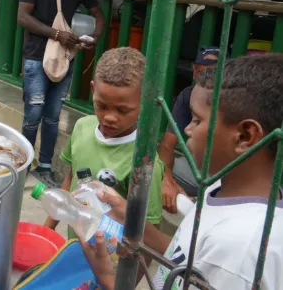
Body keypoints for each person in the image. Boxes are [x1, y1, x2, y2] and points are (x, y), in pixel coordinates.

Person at [81, 54, 283, 290]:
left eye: (197, 120)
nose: (187, 128)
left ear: (245, 136)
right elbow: (187, 257)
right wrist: (133, 221)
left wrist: (111, 281)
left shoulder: (240, 252)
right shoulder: (222, 188)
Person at [18, 0, 105, 185]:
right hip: (36, 56)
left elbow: (98, 15)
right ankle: (24, 162)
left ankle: (44, 166)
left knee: (53, 115)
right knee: (33, 113)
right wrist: (57, 34)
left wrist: (94, 37)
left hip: (65, 57)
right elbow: (22, 17)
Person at [44, 47, 163, 232]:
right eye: (101, 105)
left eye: (122, 110)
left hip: (110, 258)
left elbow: (149, 232)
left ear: (145, 100)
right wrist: (46, 231)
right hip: (75, 246)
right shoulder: (82, 127)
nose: (109, 117)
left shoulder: (145, 162)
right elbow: (70, 180)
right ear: (93, 90)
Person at [158, 46, 220, 213]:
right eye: (201, 73)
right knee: (154, 170)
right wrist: (166, 179)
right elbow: (167, 145)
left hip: (229, 174)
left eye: (212, 73)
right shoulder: (188, 95)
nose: (205, 80)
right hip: (198, 170)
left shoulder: (230, 99)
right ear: (193, 72)